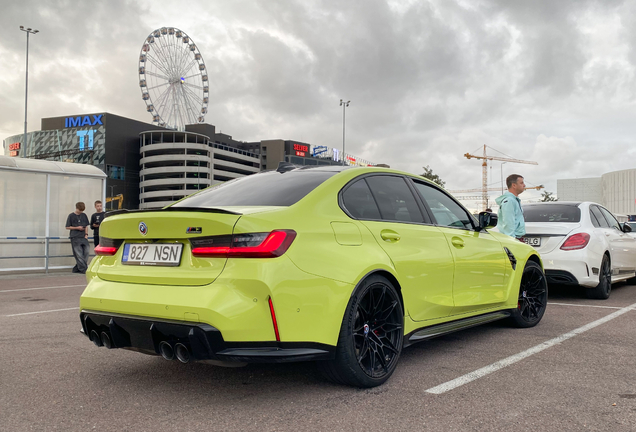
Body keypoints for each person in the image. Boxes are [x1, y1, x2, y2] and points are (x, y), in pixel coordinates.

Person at [495, 174, 526, 240]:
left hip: (516, 238)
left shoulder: (514, 200)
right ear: (514, 185)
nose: (524, 185)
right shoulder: (509, 201)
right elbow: (508, 222)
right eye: (521, 183)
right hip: (512, 239)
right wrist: (511, 240)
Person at [66, 202, 90, 274]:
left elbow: (86, 226)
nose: (81, 212)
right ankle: (84, 269)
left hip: (83, 237)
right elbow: (67, 227)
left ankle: (77, 268)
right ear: (76, 208)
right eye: (80, 210)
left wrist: (86, 235)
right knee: (78, 254)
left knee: (86, 252)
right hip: (75, 237)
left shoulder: (84, 215)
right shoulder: (71, 216)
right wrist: (77, 228)